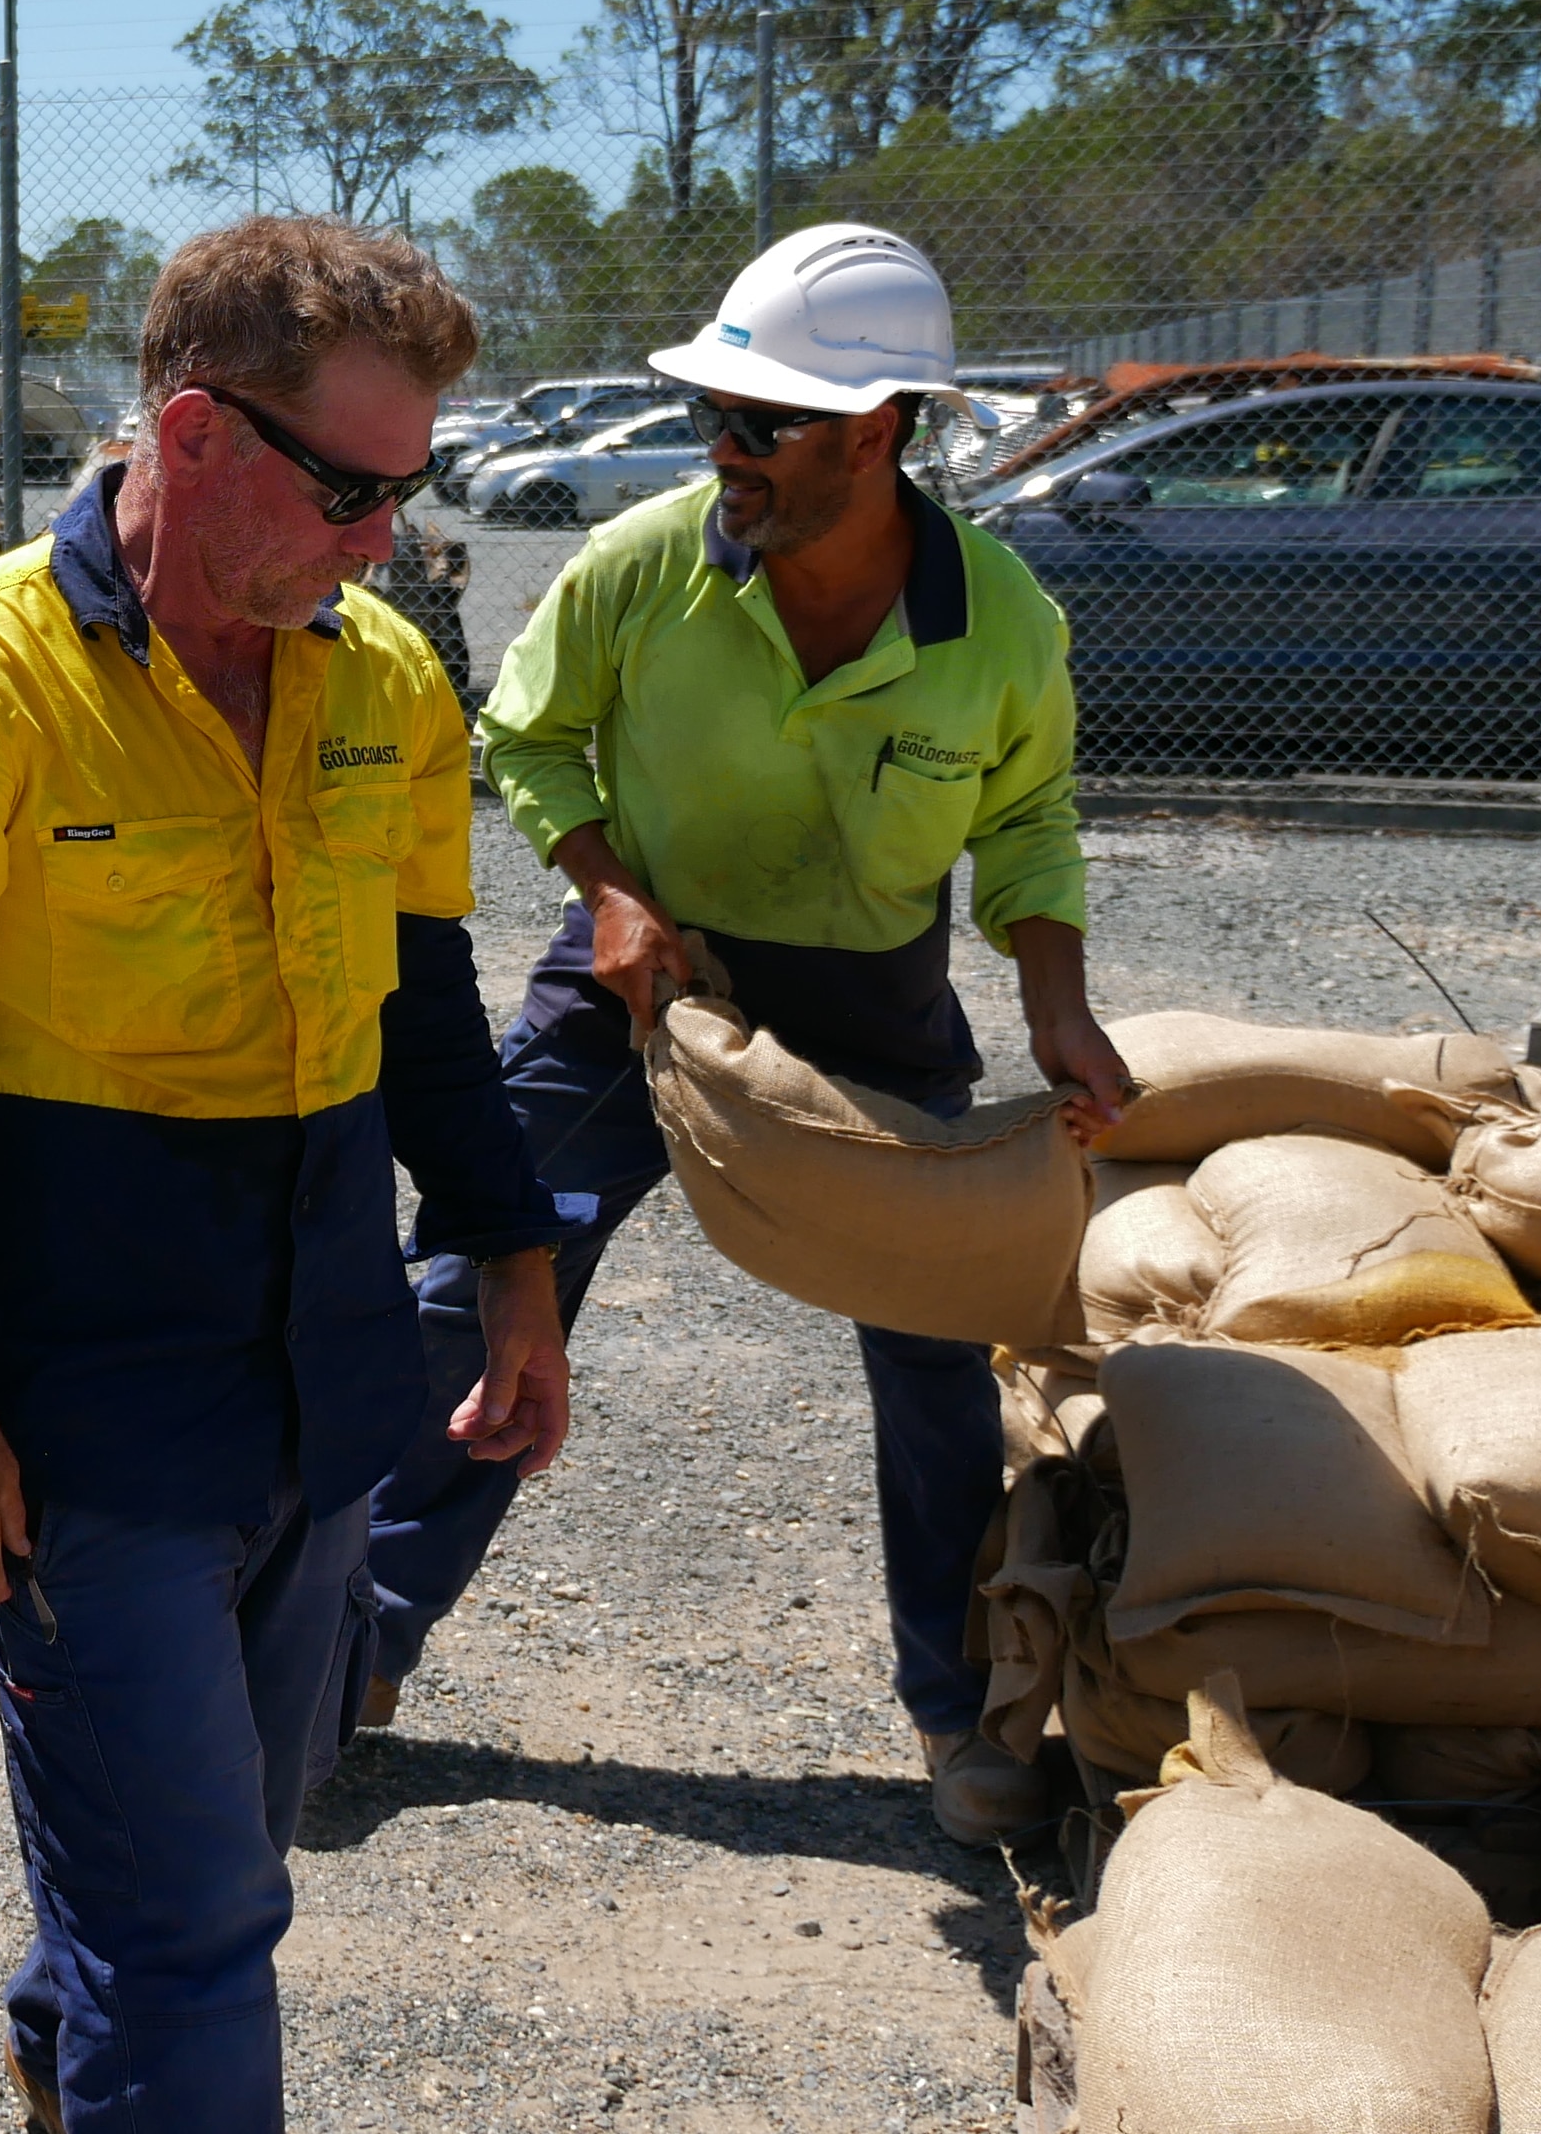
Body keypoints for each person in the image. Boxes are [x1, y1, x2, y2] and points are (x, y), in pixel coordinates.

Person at [0, 217, 575, 2133]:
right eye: (351, 490)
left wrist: (511, 1258)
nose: (384, 539)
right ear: (195, 433)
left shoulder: (377, 673)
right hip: (87, 1403)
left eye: (414, 490)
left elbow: (430, 1004)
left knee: (212, 1848)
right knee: (197, 1922)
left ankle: (69, 2067)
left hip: (320, 1371)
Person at [353, 223, 1126, 1849]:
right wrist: (609, 893)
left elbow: (1033, 820)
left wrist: (1056, 1004)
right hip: (635, 979)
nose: (727, 450)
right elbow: (531, 731)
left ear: (881, 427)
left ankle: (953, 1710)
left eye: (763, 422)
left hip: (872, 1002)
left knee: (932, 1370)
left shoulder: (1000, 625)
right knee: (477, 1291)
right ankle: (354, 1644)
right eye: (717, 413)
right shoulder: (642, 566)